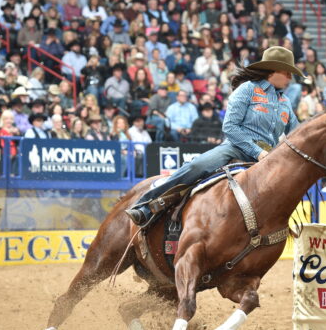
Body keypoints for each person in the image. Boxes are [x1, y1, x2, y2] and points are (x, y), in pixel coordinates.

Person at [126, 46, 303, 226]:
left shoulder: (285, 101)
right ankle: (145, 205)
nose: (290, 77)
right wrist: (257, 152)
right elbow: (230, 127)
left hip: (267, 158)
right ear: (273, 71)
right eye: (287, 72)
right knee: (196, 166)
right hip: (236, 149)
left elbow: (298, 134)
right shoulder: (248, 89)